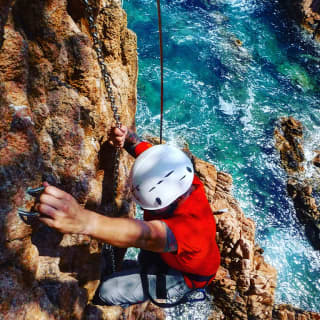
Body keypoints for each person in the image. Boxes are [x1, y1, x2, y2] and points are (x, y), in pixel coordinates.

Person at [36, 126, 220, 307]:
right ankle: (145, 270)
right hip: (178, 256)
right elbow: (155, 161)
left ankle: (108, 301)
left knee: (108, 290)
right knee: (143, 262)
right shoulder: (182, 179)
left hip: (185, 277)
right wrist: (129, 140)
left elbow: (147, 235)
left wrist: (82, 220)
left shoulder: (191, 231)